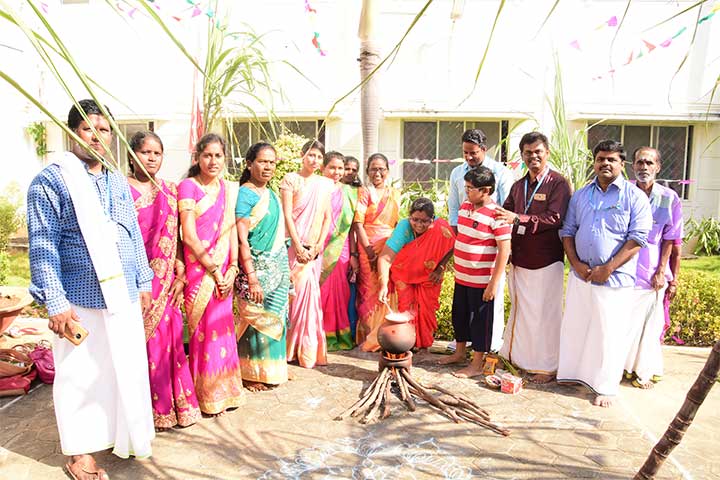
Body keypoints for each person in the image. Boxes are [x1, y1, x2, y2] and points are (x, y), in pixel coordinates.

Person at [27, 99, 155, 479]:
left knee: (124, 370)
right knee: (78, 376)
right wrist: (55, 301)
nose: (97, 137)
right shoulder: (51, 181)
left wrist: (144, 280)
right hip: (78, 301)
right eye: (88, 129)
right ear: (71, 133)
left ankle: (126, 434)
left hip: (124, 295)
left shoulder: (116, 179)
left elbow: (132, 234)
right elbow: (42, 243)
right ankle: (80, 452)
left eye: (104, 130)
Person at [557, 140, 652, 407]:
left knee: (609, 333)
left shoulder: (635, 198)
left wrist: (608, 268)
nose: (605, 164)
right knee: (578, 327)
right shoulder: (581, 195)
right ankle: (575, 377)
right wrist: (575, 263)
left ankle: (606, 387)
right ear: (594, 162)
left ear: (622, 164)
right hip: (581, 275)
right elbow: (568, 231)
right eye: (601, 159)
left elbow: (637, 239)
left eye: (611, 159)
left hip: (615, 279)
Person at [127, 131, 201, 429]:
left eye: (157, 153)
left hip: (167, 281)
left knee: (170, 341)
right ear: (133, 155)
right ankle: (147, 412)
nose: (152, 158)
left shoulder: (170, 190)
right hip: (135, 283)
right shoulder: (120, 189)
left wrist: (181, 268)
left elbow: (180, 237)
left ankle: (175, 407)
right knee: (144, 346)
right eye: (145, 152)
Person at [495, 132, 572, 384]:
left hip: (546, 260)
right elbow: (505, 213)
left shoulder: (558, 183)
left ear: (547, 153)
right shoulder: (519, 186)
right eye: (528, 152)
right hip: (520, 258)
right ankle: (518, 360)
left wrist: (519, 219)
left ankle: (547, 367)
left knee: (545, 314)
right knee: (522, 311)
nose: (533, 156)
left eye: (538, 151)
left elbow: (555, 218)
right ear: (522, 155)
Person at [178, 133, 245, 414]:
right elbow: (189, 237)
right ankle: (205, 394)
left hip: (223, 271)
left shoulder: (228, 190)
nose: (213, 161)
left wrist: (232, 268)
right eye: (208, 155)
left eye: (218, 156)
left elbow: (231, 232)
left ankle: (226, 392)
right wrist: (215, 269)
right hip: (200, 272)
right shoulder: (188, 187)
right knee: (203, 331)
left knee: (223, 328)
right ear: (197, 157)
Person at [439, 167, 511, 378]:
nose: (467, 191)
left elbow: (504, 251)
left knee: (480, 322)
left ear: (486, 190)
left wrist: (493, 283)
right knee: (459, 315)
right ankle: (459, 353)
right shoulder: (465, 207)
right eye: (466, 187)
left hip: (482, 280)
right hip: (462, 277)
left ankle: (477, 363)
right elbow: (463, 237)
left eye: (471, 188)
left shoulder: (497, 215)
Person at [447, 129, 513, 351]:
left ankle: (486, 351)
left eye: (473, 152)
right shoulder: (458, 175)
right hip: (465, 270)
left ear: (484, 150)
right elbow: (454, 208)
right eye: (465, 152)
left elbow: (506, 212)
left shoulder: (501, 174)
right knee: (462, 313)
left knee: (486, 313)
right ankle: (461, 352)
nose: (468, 157)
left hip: (486, 263)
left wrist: (495, 275)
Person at [624, 147, 683, 388]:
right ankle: (623, 367)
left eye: (649, 163)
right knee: (625, 322)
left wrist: (663, 272)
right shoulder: (624, 192)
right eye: (639, 162)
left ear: (658, 167)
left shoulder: (669, 197)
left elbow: (671, 238)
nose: (643, 167)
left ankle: (643, 370)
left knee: (650, 324)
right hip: (625, 265)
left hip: (652, 269)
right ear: (632, 166)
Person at [235, 142, 290, 390]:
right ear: (249, 164)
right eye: (262, 161)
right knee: (254, 320)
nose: (268, 166)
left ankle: (272, 370)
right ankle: (250, 373)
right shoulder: (246, 194)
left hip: (277, 266)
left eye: (271, 162)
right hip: (254, 268)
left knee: (276, 316)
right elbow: (240, 238)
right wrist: (252, 276)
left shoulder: (272, 194)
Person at [280, 140, 333, 368]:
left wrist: (318, 245)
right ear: (302, 155)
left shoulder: (324, 184)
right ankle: (287, 349)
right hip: (292, 248)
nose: (314, 160)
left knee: (309, 299)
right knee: (291, 297)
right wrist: (297, 245)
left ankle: (307, 350)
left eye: (319, 157)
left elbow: (327, 217)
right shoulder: (291, 180)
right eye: (311, 155)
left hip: (312, 250)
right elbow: (287, 214)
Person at [377, 197, 455, 349]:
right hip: (404, 274)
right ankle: (407, 343)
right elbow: (385, 258)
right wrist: (383, 285)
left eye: (424, 221)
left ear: (432, 219)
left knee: (426, 310)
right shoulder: (404, 228)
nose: (419, 225)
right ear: (409, 216)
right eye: (415, 220)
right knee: (406, 308)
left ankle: (424, 344)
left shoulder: (441, 228)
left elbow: (453, 244)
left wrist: (440, 268)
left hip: (429, 276)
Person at [353, 153, 402, 352]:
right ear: (367, 172)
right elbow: (358, 223)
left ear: (388, 172)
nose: (378, 172)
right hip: (367, 248)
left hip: (390, 247)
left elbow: (398, 223)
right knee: (368, 291)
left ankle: (386, 334)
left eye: (381, 168)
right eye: (373, 168)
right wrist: (368, 251)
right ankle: (369, 335)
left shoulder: (395, 193)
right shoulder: (364, 193)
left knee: (388, 288)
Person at [320, 151, 359, 351]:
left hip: (342, 249)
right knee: (321, 293)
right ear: (323, 168)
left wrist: (353, 254)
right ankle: (319, 336)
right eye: (332, 168)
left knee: (340, 294)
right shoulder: (316, 189)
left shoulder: (350, 193)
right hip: (318, 248)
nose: (336, 172)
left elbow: (353, 227)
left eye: (340, 168)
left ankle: (339, 336)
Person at [342, 155, 362, 340]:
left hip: (351, 245)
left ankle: (351, 332)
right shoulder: (331, 190)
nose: (350, 172)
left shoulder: (359, 192)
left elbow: (355, 226)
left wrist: (354, 253)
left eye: (354, 169)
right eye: (346, 168)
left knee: (351, 291)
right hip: (331, 247)